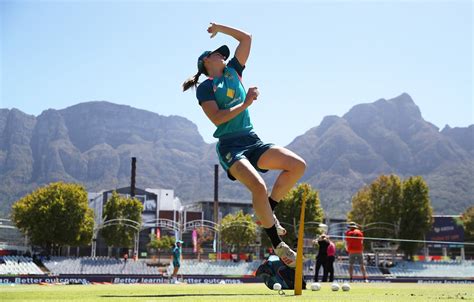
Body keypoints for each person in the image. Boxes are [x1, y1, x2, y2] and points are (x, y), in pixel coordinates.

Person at [182, 23, 306, 268]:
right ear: (207, 60)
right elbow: (217, 118)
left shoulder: (233, 72)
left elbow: (247, 38)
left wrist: (219, 27)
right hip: (230, 146)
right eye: (219, 53)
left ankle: (267, 213)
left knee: (297, 165)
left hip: (252, 140)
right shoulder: (206, 88)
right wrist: (247, 102)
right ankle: (277, 243)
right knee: (258, 186)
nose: (224, 56)